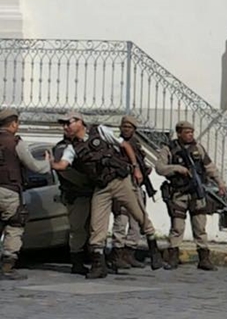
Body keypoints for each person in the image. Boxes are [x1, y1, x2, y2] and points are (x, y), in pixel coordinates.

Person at [49, 112, 164, 278]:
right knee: (97, 225)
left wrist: (136, 168)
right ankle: (98, 264)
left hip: (120, 180)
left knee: (139, 215)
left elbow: (125, 145)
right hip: (101, 187)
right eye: (64, 124)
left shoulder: (100, 131)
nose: (66, 127)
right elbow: (62, 165)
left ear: (80, 122)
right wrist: (51, 163)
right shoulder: (72, 148)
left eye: (69, 123)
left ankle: (154, 250)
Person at [155, 120, 226, 271]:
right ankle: (173, 256)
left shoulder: (198, 148)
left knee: (200, 227)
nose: (190, 135)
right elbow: (160, 168)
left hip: (196, 193)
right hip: (179, 193)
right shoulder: (169, 149)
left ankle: (204, 258)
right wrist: (177, 169)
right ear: (179, 133)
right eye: (186, 132)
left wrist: (220, 183)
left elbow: (209, 167)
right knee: (177, 227)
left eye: (191, 132)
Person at [0, 109, 51, 280]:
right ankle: (7, 266)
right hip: (10, 191)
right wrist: (47, 163)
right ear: (14, 124)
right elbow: (34, 166)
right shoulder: (15, 143)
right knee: (14, 226)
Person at [110, 116, 149, 269]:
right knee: (121, 218)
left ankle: (129, 252)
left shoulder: (136, 144)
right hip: (121, 184)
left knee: (137, 219)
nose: (126, 129)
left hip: (136, 185)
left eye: (130, 127)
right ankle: (117, 254)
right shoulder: (115, 144)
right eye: (124, 126)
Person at [53, 133, 95, 275]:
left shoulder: (83, 145)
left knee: (92, 228)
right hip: (77, 194)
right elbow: (65, 171)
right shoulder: (62, 148)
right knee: (78, 229)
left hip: (89, 193)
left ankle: (91, 258)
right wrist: (86, 181)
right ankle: (77, 261)